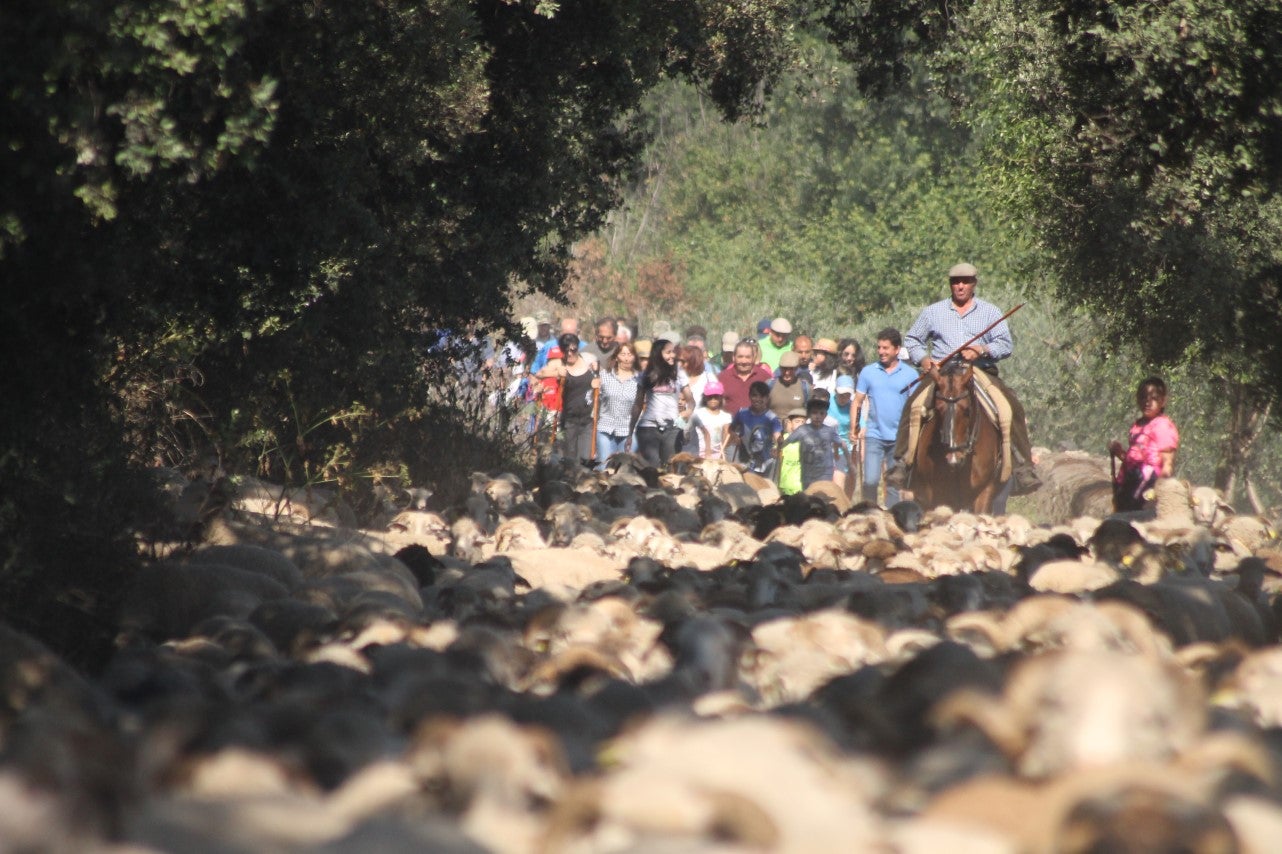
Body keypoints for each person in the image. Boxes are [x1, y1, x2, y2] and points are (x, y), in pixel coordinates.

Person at [888, 262, 1041, 494]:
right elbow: (912, 340)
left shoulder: (990, 311)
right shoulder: (933, 312)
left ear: (974, 283)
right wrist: (924, 360)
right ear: (950, 284)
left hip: (978, 370)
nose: (960, 286)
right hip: (942, 372)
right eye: (955, 282)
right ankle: (902, 463)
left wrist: (982, 350)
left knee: (1010, 407)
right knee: (914, 406)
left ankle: (1022, 467)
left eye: (965, 281)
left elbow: (1005, 344)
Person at [854, 328, 918, 507]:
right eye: (879, 347)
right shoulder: (868, 372)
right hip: (874, 435)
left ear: (897, 349)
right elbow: (857, 401)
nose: (881, 351)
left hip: (899, 438)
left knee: (893, 484)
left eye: (885, 348)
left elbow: (916, 405)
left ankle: (891, 516)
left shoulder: (911, 374)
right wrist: (855, 427)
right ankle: (869, 512)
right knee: (870, 481)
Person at [1109, 376, 1179, 512]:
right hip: (1131, 478)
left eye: (1154, 398)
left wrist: (1159, 489)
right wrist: (1119, 452)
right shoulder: (1138, 425)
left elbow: (1167, 464)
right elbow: (1134, 459)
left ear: (1163, 401)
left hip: (1148, 482)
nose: (1147, 402)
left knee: (1135, 514)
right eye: (1143, 397)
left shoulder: (1163, 426)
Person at [629, 338, 693, 467]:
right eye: (668, 352)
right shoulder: (645, 375)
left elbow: (691, 401)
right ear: (658, 354)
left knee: (671, 466)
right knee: (652, 468)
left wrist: (688, 411)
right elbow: (637, 405)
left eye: (673, 352)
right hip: (648, 428)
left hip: (673, 428)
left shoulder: (679, 374)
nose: (672, 355)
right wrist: (630, 431)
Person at [539, 334, 598, 466]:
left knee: (585, 460)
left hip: (588, 420)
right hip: (569, 420)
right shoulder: (560, 364)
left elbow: (605, 374)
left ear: (577, 348)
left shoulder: (588, 361)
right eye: (566, 351)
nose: (570, 353)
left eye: (573, 350)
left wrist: (597, 376)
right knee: (569, 460)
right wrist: (556, 373)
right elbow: (540, 373)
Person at [781, 397, 846, 489]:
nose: (818, 416)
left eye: (821, 413)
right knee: (808, 495)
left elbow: (842, 444)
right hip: (807, 474)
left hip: (825, 473)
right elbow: (786, 442)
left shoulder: (829, 431)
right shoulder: (802, 430)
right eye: (814, 413)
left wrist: (850, 463)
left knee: (823, 494)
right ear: (809, 414)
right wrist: (778, 447)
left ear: (825, 415)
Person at [595, 341, 640, 468]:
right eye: (623, 354)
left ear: (634, 357)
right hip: (606, 427)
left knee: (622, 468)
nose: (626, 358)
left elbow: (643, 403)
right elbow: (591, 400)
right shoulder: (605, 376)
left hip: (628, 430)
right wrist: (593, 388)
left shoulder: (639, 379)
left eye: (630, 354)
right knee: (604, 466)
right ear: (616, 357)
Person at [727, 381, 783, 475]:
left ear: (767, 398)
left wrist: (778, 446)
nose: (758, 399)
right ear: (749, 396)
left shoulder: (771, 417)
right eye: (755, 395)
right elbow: (731, 429)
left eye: (762, 396)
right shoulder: (742, 413)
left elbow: (777, 435)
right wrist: (735, 436)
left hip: (764, 462)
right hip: (744, 460)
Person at [718, 339, 773, 415]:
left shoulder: (764, 377)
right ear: (734, 357)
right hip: (730, 422)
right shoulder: (723, 377)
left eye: (747, 357)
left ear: (753, 358)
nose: (744, 361)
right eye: (740, 357)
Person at [690, 381, 733, 459]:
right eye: (710, 397)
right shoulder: (698, 413)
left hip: (717, 454)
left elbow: (725, 434)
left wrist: (723, 451)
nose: (713, 399)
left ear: (721, 397)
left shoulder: (725, 416)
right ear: (705, 397)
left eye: (716, 397)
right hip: (698, 454)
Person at [829, 374, 856, 491]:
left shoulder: (853, 406)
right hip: (825, 447)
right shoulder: (827, 401)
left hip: (843, 450)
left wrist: (857, 433)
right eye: (841, 394)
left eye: (847, 395)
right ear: (835, 391)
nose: (844, 398)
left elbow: (861, 425)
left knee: (838, 481)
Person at [767, 351, 810, 421]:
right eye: (784, 368)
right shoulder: (769, 384)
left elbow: (809, 412)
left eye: (791, 369)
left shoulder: (805, 387)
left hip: (797, 427)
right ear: (780, 368)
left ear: (796, 368)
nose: (787, 373)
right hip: (773, 426)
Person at [776, 408, 807, 495]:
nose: (800, 424)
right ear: (790, 423)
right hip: (784, 485)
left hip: (801, 486)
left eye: (803, 422)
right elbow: (777, 458)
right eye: (797, 421)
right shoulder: (784, 439)